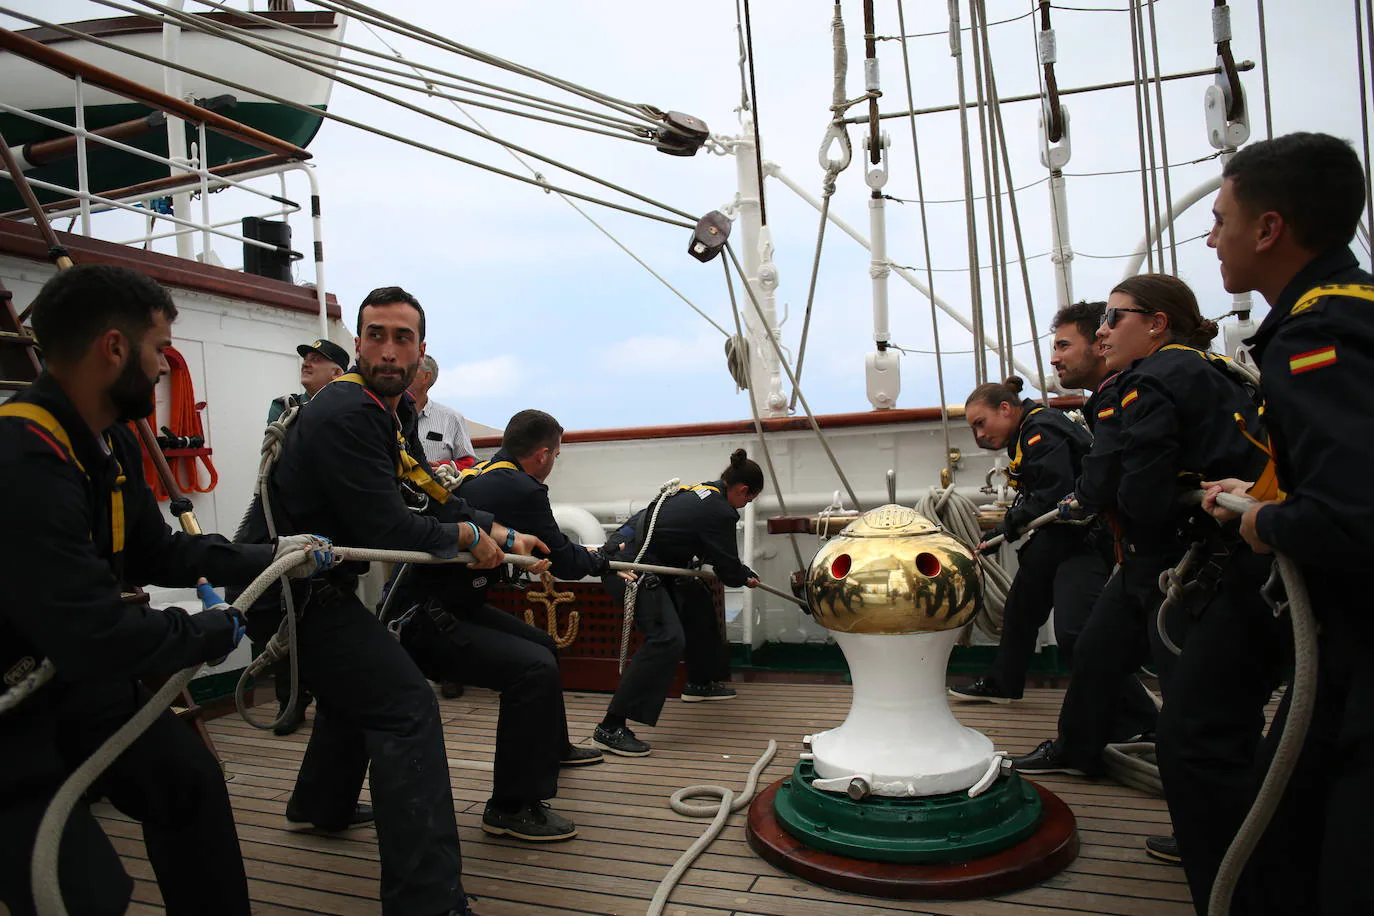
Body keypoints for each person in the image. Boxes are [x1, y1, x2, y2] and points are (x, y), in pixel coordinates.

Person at [0, 265, 332, 916]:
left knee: (188, 783)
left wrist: (274, 554)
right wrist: (201, 634)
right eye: (159, 350)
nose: (161, 369)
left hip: (75, 682)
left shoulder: (109, 442)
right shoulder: (24, 460)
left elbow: (157, 551)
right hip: (13, 709)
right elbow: (92, 631)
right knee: (85, 896)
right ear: (115, 349)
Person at [237, 286, 546, 916]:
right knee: (405, 706)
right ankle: (426, 902)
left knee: (365, 683)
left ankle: (318, 809)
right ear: (358, 343)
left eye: (401, 337)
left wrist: (502, 533)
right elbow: (392, 529)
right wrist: (467, 538)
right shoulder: (349, 412)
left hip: (316, 589)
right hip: (287, 591)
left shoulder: (386, 410)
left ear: (420, 351)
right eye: (375, 334)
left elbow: (427, 489)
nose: (387, 348)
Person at [1020, 274, 1284, 912]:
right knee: (1098, 647)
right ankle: (1080, 748)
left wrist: (1096, 498)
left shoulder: (1148, 381)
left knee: (1196, 726)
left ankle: (1226, 852)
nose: (1103, 330)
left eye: (1115, 318)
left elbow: (1130, 487)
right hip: (1182, 561)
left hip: (1186, 567)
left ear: (1157, 324)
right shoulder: (1212, 369)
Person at [1200, 132, 1374, 916]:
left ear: (1268, 229)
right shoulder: (1352, 310)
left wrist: (1267, 525)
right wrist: (1267, 491)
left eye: (1221, 219)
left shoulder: (1316, 335)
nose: (1212, 237)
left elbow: (1353, 516)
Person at [397, 409, 604, 843]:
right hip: (427, 620)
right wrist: (604, 559)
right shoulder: (523, 488)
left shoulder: (483, 473)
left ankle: (554, 747)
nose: (554, 463)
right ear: (544, 454)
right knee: (533, 668)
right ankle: (510, 806)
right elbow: (565, 558)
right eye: (556, 455)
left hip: (454, 606)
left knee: (543, 646)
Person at [592, 449, 763, 757]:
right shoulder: (718, 511)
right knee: (667, 637)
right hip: (631, 570)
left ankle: (699, 681)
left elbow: (702, 546)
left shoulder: (698, 492)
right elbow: (727, 568)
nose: (745, 505)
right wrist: (744, 576)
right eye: (748, 500)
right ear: (741, 490)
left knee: (696, 598)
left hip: (639, 559)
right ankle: (610, 727)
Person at [948, 373, 1099, 704]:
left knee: (1075, 632)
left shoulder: (1039, 431)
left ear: (1005, 408)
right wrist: (1004, 528)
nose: (979, 435)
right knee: (1021, 611)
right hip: (1058, 535)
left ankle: (1135, 715)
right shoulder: (1029, 431)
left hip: (1083, 537)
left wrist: (1008, 525)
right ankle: (1004, 683)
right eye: (973, 428)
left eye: (981, 423)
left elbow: (1053, 491)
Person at [260, 338, 351, 734]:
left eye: (318, 359)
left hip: (338, 526)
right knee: (290, 613)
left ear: (338, 372)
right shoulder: (286, 407)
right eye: (306, 358)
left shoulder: (352, 410)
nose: (308, 363)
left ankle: (336, 699)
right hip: (292, 522)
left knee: (336, 612)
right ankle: (291, 700)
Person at [409, 354, 476, 471]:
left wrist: (443, 467)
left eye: (409, 369)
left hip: (438, 488)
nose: (400, 374)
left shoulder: (452, 418)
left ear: (426, 377)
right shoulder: (385, 414)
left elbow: (469, 464)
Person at [266, 337, 349, 423]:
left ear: (336, 373)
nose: (304, 364)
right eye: (305, 359)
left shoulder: (353, 408)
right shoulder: (284, 407)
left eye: (315, 359)